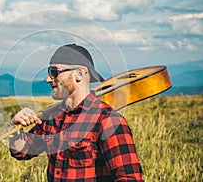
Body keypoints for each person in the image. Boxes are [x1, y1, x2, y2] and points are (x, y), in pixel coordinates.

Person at [9, 44, 143, 181]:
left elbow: (129, 178)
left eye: (54, 72)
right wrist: (14, 129)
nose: (48, 79)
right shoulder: (52, 118)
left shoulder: (108, 121)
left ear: (78, 74)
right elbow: (22, 151)